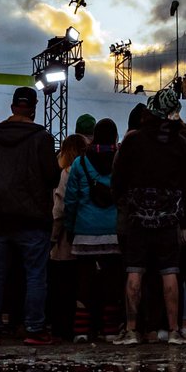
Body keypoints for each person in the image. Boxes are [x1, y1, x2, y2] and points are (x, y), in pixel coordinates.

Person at [111, 87, 186, 345]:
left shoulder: (134, 141)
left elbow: (118, 179)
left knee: (134, 271)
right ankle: (173, 330)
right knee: (170, 271)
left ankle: (131, 330)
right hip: (169, 218)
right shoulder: (179, 143)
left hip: (138, 217)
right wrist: (184, 220)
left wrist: (125, 202)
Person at [0, 86, 60, 345]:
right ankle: (34, 329)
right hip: (32, 217)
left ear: (13, 106)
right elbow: (52, 176)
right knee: (35, 274)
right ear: (34, 109)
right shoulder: (42, 138)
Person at [64, 117, 122, 341]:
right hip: (114, 232)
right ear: (115, 137)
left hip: (84, 231)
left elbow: (71, 200)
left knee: (84, 282)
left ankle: (81, 330)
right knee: (112, 283)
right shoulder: (120, 161)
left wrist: (70, 228)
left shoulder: (80, 163)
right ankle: (110, 330)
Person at [49, 132, 88, 342]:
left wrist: (52, 238)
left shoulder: (66, 173)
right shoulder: (89, 171)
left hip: (65, 240)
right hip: (85, 235)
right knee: (81, 286)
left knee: (61, 288)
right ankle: (82, 328)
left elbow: (59, 209)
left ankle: (61, 329)